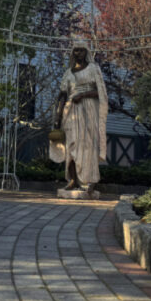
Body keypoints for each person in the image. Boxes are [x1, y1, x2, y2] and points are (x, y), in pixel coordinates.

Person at [53, 39, 108, 192]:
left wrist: (83, 95)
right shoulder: (68, 73)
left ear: (86, 52)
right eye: (76, 50)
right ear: (72, 53)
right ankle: (73, 180)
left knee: (88, 145)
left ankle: (90, 181)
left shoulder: (93, 69)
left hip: (89, 110)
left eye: (81, 50)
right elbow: (62, 96)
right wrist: (57, 117)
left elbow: (101, 93)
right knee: (71, 146)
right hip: (70, 112)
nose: (78, 53)